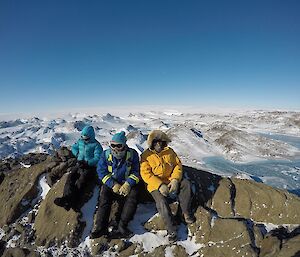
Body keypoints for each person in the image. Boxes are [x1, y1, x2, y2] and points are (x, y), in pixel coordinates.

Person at [140, 130, 195, 242]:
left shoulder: (170, 152)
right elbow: (146, 174)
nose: (159, 144)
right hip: (154, 185)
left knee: (186, 184)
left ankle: (184, 213)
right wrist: (159, 185)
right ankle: (171, 230)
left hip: (170, 180)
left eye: (161, 141)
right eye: (156, 142)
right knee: (161, 202)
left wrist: (175, 179)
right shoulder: (146, 156)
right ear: (152, 143)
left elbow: (177, 165)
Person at [91, 131, 141, 239]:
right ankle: (100, 228)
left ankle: (122, 226)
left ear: (124, 145)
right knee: (104, 199)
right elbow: (101, 171)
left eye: (119, 145)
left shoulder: (132, 154)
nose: (115, 148)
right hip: (112, 182)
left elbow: (136, 171)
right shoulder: (106, 154)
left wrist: (128, 184)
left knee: (132, 198)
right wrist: (112, 184)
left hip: (126, 183)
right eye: (113, 145)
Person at [54, 125, 103, 211]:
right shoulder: (80, 141)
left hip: (90, 167)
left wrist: (88, 162)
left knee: (81, 181)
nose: (84, 139)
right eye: (82, 137)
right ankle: (66, 198)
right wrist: (77, 154)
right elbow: (74, 148)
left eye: (86, 138)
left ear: (91, 137)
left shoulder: (96, 145)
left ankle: (71, 201)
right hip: (79, 164)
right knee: (70, 177)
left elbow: (98, 158)